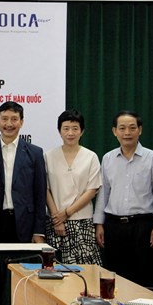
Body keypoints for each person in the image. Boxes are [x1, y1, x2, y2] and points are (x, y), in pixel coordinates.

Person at [94, 111, 153, 286]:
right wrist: (99, 224)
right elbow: (103, 193)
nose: (127, 132)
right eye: (122, 128)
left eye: (132, 127)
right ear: (114, 131)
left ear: (140, 130)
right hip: (113, 226)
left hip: (142, 225)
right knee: (115, 276)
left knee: (143, 275)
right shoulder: (108, 158)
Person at [45, 109, 102, 264]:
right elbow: (45, 189)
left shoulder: (91, 157)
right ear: (59, 131)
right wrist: (58, 218)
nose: (70, 133)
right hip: (56, 222)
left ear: (82, 131)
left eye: (75, 128)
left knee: (86, 271)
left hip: (82, 221)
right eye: (66, 128)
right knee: (56, 270)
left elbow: (92, 190)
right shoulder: (48, 156)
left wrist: (67, 212)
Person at [0, 102, 47, 243]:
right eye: (4, 119)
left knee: (22, 265)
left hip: (25, 222)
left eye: (14, 119)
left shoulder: (35, 153)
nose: (9, 124)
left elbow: (40, 193)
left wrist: (39, 231)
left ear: (21, 122)